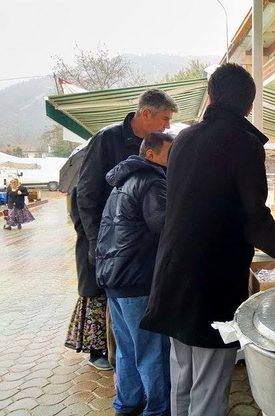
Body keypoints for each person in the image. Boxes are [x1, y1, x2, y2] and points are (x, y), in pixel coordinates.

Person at [140, 63, 275, 416]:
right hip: (210, 284)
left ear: (210, 96)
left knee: (183, 378)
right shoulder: (244, 143)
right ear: (248, 107)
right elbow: (254, 218)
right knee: (208, 385)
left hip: (173, 276)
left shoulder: (185, 139)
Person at [65, 89, 177, 371]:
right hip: (106, 237)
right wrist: (95, 242)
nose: (167, 125)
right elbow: (87, 195)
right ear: (146, 114)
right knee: (101, 295)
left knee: (125, 306)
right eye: (164, 119)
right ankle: (99, 350)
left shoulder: (155, 145)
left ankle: (127, 370)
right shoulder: (108, 139)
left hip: (136, 242)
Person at [95, 132, 174, 416]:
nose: (173, 161)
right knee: (151, 350)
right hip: (137, 279)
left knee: (128, 350)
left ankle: (127, 404)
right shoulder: (152, 180)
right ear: (150, 154)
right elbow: (164, 225)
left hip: (114, 278)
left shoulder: (122, 182)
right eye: (170, 154)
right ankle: (157, 409)